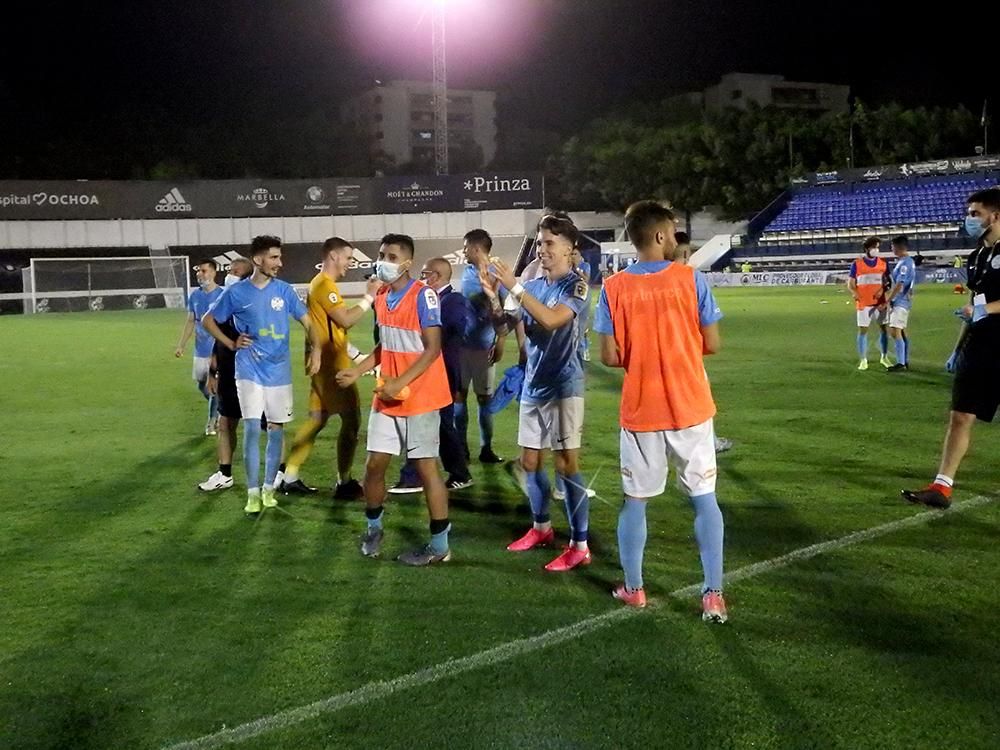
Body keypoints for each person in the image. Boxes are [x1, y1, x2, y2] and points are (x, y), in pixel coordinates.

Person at [595, 200, 727, 622]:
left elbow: (609, 357)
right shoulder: (691, 280)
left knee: (635, 502)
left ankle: (635, 589)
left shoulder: (613, 288)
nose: (674, 239)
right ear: (657, 235)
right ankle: (713, 595)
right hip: (690, 406)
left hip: (642, 410)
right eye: (671, 232)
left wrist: (642, 352)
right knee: (704, 500)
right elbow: (713, 343)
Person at [336, 234, 454, 566]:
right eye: (381, 254)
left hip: (421, 397)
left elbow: (432, 349)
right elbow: (385, 346)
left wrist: (399, 382)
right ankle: (373, 528)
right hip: (388, 396)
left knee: (426, 468)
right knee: (374, 466)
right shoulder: (383, 295)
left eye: (390, 256)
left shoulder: (424, 296)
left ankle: (440, 546)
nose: (382, 260)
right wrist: (357, 371)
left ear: (406, 263)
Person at [485, 212, 592, 572]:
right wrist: (494, 300)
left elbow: (550, 320)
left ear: (568, 248)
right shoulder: (532, 285)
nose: (542, 249)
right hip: (534, 383)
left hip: (565, 384)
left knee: (566, 465)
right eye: (540, 242)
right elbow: (507, 325)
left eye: (549, 243)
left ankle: (579, 544)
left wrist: (514, 287)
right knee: (530, 462)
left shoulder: (574, 286)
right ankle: (541, 528)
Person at [202, 236, 321, 515]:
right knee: (253, 428)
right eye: (274, 258)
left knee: (276, 429)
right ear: (258, 260)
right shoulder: (236, 293)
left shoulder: (285, 291)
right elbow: (209, 319)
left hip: (279, 371)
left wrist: (315, 352)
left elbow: (308, 322)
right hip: (249, 370)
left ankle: (269, 489)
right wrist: (231, 344)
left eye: (279, 258)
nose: (279, 263)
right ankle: (252, 493)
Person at [902, 188, 1000, 509]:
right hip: (980, 344)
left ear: (994, 216)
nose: (969, 219)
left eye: (975, 214)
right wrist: (957, 348)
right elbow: (973, 304)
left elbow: (982, 307)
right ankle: (941, 487)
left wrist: (985, 311)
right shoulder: (976, 257)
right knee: (961, 415)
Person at [280, 237, 381, 499]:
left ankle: (288, 476)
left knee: (317, 419)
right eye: (348, 257)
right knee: (351, 421)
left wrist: (356, 355)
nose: (350, 262)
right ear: (334, 256)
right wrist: (369, 297)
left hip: (325, 362)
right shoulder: (325, 285)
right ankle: (344, 482)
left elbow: (330, 329)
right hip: (331, 367)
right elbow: (345, 320)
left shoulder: (322, 284)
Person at [390, 258, 475, 493]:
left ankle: (415, 476)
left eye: (424, 274)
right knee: (439, 425)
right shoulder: (435, 299)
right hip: (430, 372)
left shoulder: (453, 300)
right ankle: (457, 472)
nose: (420, 278)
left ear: (435, 277)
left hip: (443, 373)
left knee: (431, 423)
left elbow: (450, 332)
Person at [199, 257, 254, 492]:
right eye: (229, 271)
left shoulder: (251, 305)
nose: (229, 276)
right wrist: (213, 373)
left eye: (235, 272)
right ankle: (225, 473)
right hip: (229, 374)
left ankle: (281, 473)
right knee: (225, 423)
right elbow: (216, 341)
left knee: (270, 425)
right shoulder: (225, 304)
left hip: (252, 375)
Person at [457, 229, 506, 465]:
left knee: (484, 399)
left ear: (476, 248)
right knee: (459, 397)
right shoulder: (467, 273)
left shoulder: (499, 274)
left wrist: (502, 341)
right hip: (461, 347)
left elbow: (509, 312)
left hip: (484, 347)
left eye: (466, 246)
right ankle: (462, 449)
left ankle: (486, 448)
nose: (464, 250)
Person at [174, 259, 224, 435]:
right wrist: (181, 345)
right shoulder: (195, 296)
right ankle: (219, 407)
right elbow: (190, 321)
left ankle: (212, 422)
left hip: (217, 351)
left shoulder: (223, 294)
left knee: (213, 386)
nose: (199, 274)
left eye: (203, 271)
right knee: (201, 385)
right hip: (200, 349)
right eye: (198, 271)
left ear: (213, 272)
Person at [848, 237, 890, 371]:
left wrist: (883, 290)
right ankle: (863, 359)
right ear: (867, 248)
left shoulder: (883, 263)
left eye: (878, 247)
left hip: (880, 302)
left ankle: (884, 357)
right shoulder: (857, 264)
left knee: (884, 329)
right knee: (863, 331)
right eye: (874, 247)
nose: (876, 250)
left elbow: (887, 282)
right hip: (864, 302)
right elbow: (850, 283)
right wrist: (854, 292)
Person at [884, 235, 916, 372]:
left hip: (900, 301)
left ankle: (901, 363)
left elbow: (899, 284)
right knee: (901, 331)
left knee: (894, 330)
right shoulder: (906, 261)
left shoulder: (905, 263)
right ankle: (904, 360)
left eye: (892, 246)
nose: (891, 248)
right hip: (904, 300)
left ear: (897, 247)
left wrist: (888, 299)